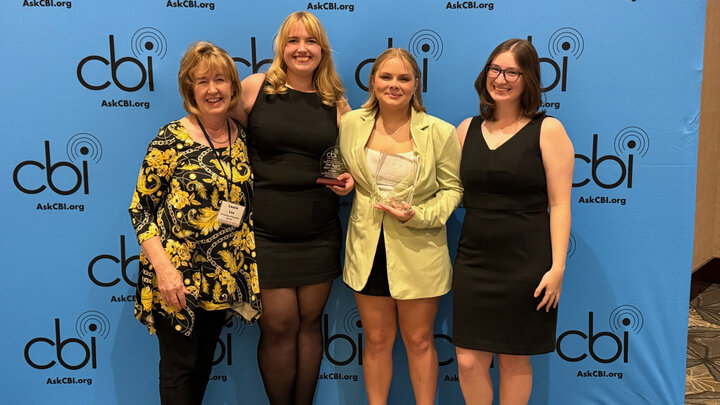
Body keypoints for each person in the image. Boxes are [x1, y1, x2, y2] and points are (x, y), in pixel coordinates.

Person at [128, 41, 261, 405]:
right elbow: (140, 210)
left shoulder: (242, 138)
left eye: (220, 80)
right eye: (202, 82)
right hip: (177, 273)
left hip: (221, 275)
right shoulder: (171, 138)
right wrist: (165, 270)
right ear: (190, 89)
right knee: (179, 368)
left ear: (233, 86)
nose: (212, 89)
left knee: (202, 365)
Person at [229, 11, 352, 405]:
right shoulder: (254, 87)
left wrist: (348, 180)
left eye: (311, 41)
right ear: (281, 47)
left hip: (318, 233)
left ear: (322, 50)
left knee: (310, 324)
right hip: (264, 233)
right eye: (293, 40)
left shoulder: (337, 103)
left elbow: (349, 164)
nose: (302, 48)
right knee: (280, 326)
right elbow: (217, 134)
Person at [452, 38, 574, 405]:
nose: (500, 78)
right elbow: (446, 192)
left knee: (514, 359)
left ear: (529, 79)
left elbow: (561, 205)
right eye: (494, 69)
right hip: (474, 261)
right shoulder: (465, 130)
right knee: (468, 361)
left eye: (511, 72)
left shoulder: (548, 130)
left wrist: (557, 269)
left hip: (525, 264)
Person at [338, 48, 463, 405]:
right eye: (386, 77)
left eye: (403, 78)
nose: (394, 85)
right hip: (367, 249)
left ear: (416, 85)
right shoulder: (350, 124)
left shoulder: (439, 132)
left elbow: (453, 189)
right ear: (372, 81)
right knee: (376, 341)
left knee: (420, 340)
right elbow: (343, 172)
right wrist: (343, 182)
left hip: (419, 250)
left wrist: (418, 216)